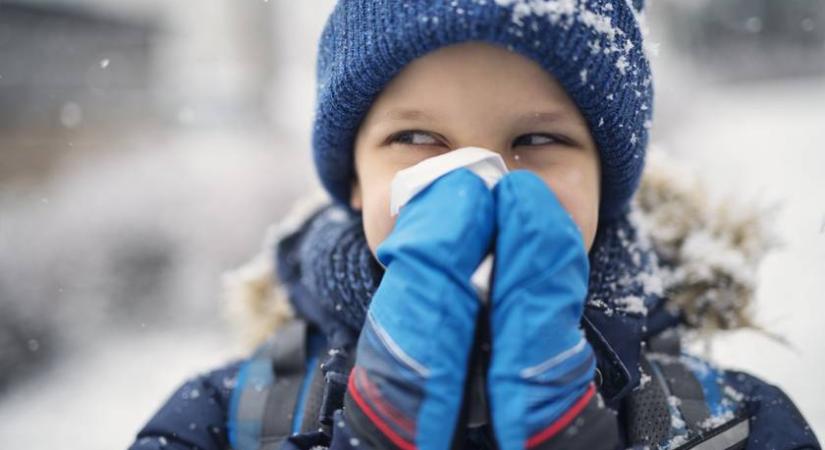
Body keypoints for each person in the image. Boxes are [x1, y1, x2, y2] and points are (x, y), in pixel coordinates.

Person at [129, 1, 821, 449]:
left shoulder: (728, 422)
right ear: (353, 180)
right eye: (419, 138)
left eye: (537, 141)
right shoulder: (228, 418)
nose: (476, 181)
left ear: (606, 185)